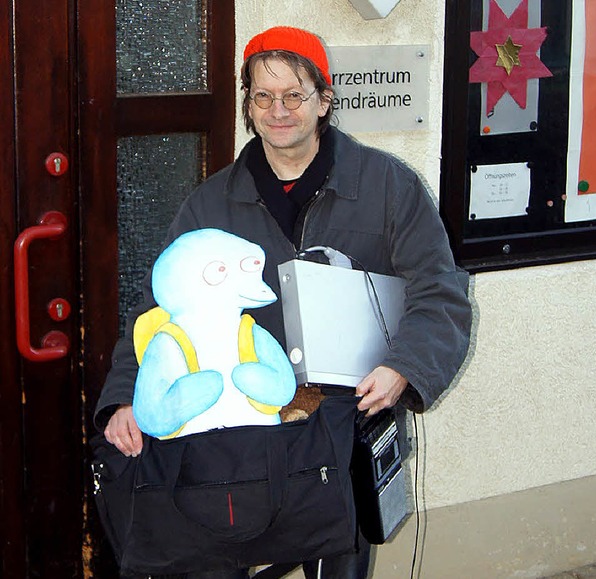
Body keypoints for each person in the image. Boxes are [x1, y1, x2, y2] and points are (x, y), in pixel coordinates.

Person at [94, 25, 472, 579]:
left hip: (346, 420)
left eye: (294, 94)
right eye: (263, 95)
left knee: (338, 564)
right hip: (236, 433)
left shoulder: (389, 187)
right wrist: (126, 397)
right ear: (248, 102)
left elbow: (439, 290)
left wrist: (404, 369)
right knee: (217, 559)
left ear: (325, 99)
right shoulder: (210, 203)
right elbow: (161, 314)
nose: (279, 110)